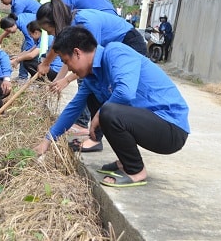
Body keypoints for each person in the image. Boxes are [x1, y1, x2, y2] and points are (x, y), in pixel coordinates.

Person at [34, 26, 190, 188]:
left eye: (66, 62)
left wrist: (99, 115)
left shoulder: (116, 52)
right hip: (149, 124)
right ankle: (124, 161)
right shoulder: (91, 78)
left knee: (109, 111)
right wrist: (47, 140)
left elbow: (125, 92)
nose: (70, 69)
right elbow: (73, 109)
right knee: (95, 100)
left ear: (77, 53)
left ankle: (136, 170)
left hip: (171, 129)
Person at [36, 0, 148, 150]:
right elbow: (69, 58)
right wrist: (59, 79)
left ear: (56, 22)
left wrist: (67, 80)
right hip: (112, 51)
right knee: (91, 88)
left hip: (129, 43)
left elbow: (90, 60)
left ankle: (107, 137)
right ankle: (97, 135)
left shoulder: (86, 23)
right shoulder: (71, 27)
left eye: (50, 31)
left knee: (119, 92)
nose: (51, 36)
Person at [0, 13, 37, 81]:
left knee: (26, 55)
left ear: (13, 25)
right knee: (24, 50)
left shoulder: (24, 26)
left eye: (8, 30)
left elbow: (31, 44)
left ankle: (23, 78)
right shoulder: (16, 20)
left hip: (41, 32)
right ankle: (22, 76)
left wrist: (19, 58)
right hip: (35, 33)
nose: (9, 33)